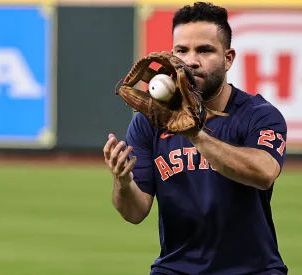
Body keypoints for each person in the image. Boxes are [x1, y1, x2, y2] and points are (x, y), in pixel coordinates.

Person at [103, 2, 288, 274]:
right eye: (181, 50)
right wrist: (122, 182)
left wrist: (195, 134)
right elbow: (134, 213)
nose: (191, 61)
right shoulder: (151, 119)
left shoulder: (259, 115)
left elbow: (264, 173)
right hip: (176, 269)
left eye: (204, 50)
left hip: (253, 269)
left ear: (228, 58)